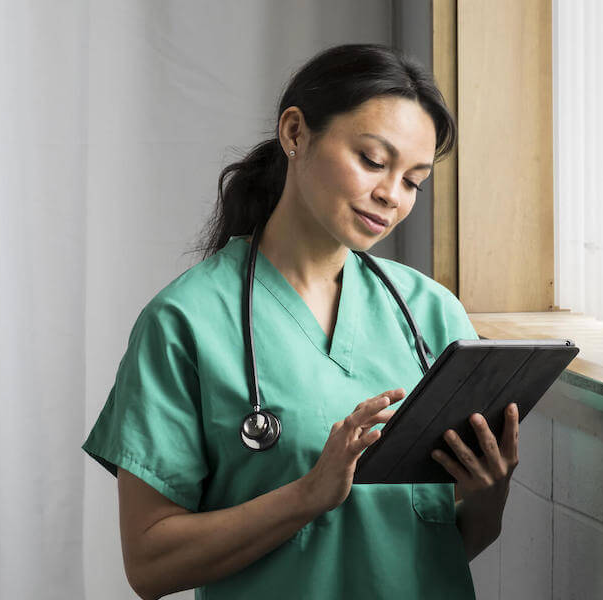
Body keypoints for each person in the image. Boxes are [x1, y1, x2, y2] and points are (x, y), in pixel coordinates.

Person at [81, 42, 521, 600]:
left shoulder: (432, 314)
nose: (390, 195)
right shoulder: (185, 322)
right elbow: (149, 564)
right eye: (373, 161)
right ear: (295, 133)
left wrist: (489, 493)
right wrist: (308, 495)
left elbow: (448, 542)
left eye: (413, 181)